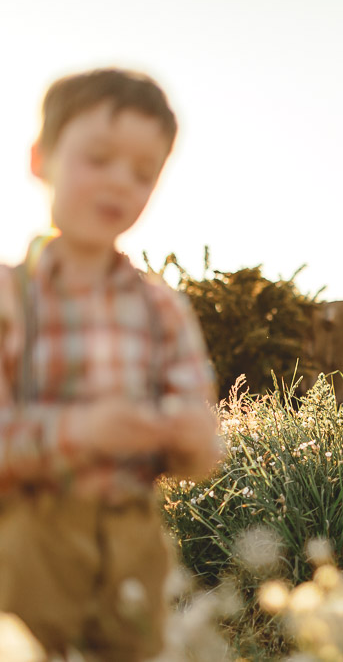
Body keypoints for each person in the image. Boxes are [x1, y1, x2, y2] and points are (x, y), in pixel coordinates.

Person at [0, 68, 223, 660]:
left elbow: (202, 449)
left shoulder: (161, 308)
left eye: (143, 173)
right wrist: (80, 433)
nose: (120, 183)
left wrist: (190, 436)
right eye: (98, 158)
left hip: (133, 539)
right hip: (23, 539)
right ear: (40, 158)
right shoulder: (8, 298)